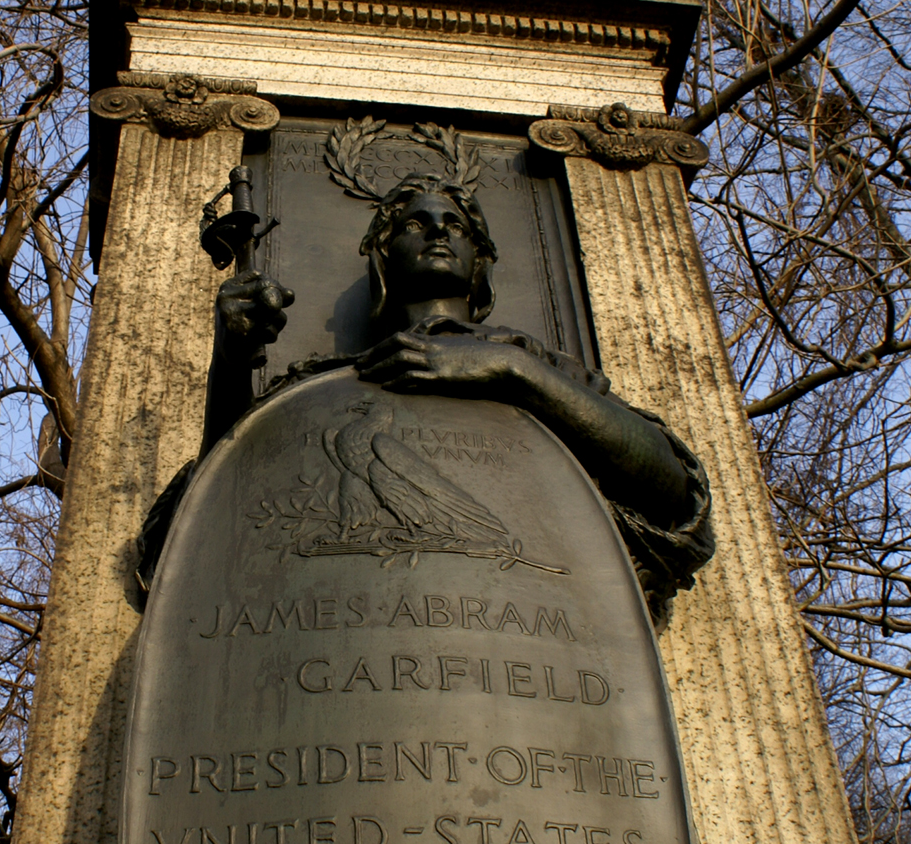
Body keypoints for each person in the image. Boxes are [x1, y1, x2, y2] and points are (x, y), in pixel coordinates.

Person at [197, 172, 713, 624]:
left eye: (457, 226)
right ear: (383, 257)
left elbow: (675, 498)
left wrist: (513, 371)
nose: (440, 231)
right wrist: (231, 355)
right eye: (415, 225)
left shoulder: (544, 367)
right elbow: (206, 513)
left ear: (480, 261)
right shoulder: (324, 384)